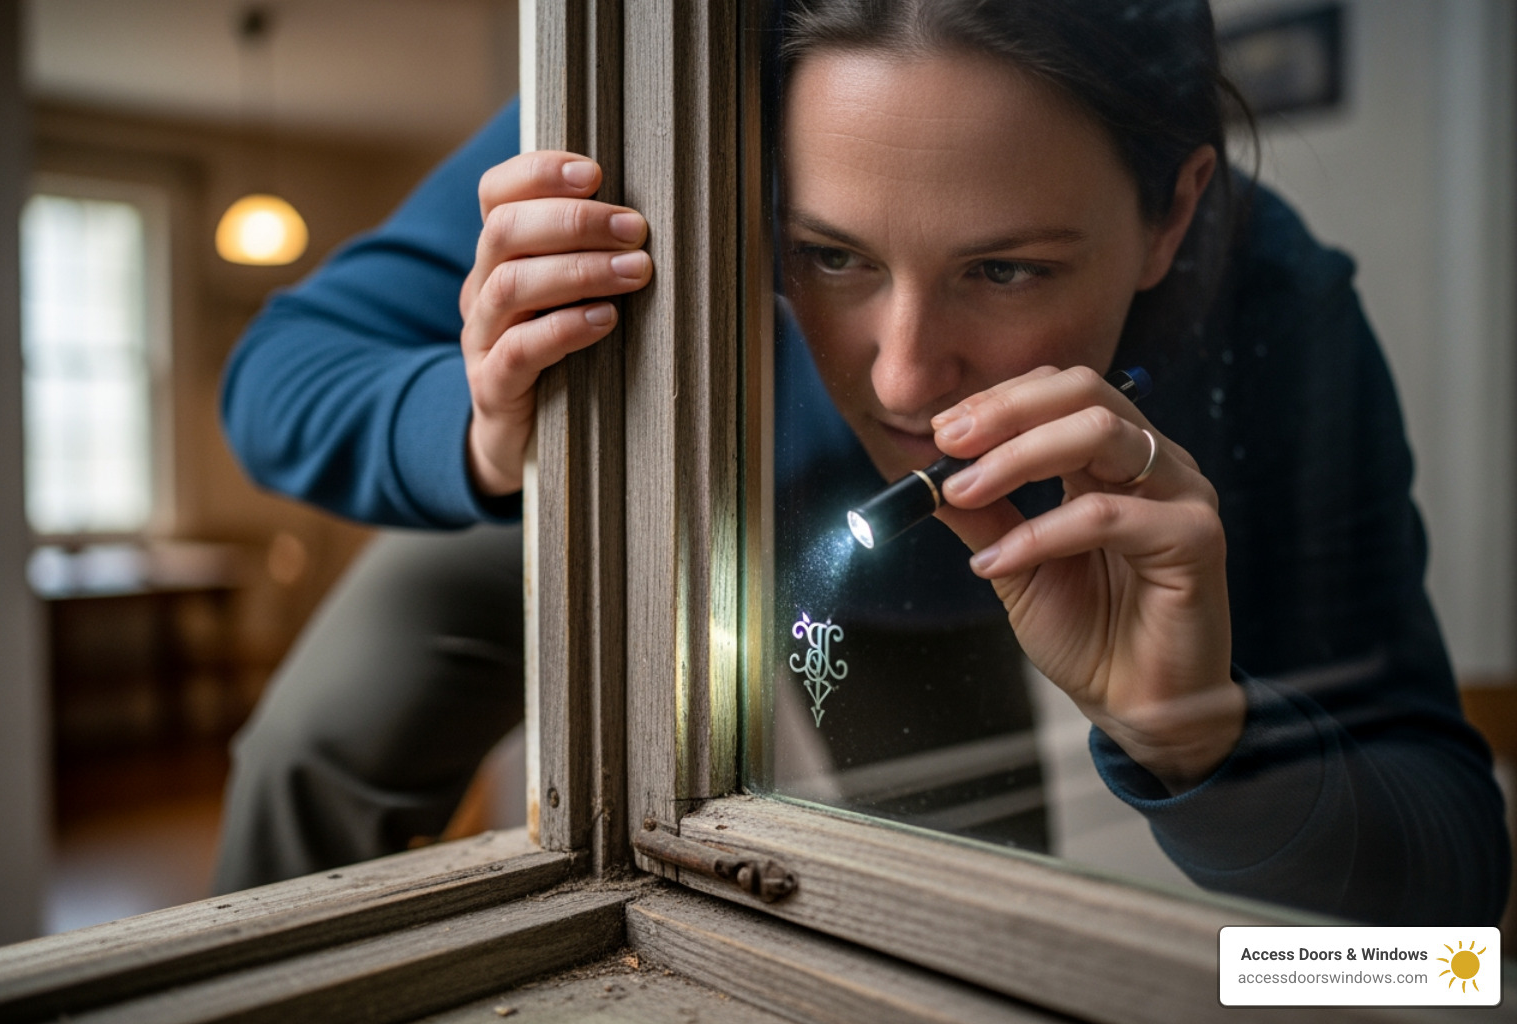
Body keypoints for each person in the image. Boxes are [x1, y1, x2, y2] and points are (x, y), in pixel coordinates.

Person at [216, 0, 1508, 925]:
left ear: (1175, 213)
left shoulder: (1276, 318)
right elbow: (278, 373)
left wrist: (1199, 736)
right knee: (315, 747)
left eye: (1006, 270)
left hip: (925, 596)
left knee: (961, 924)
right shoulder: (657, 101)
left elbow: (1449, 927)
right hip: (572, 501)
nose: (899, 379)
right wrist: (490, 427)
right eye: (826, 254)